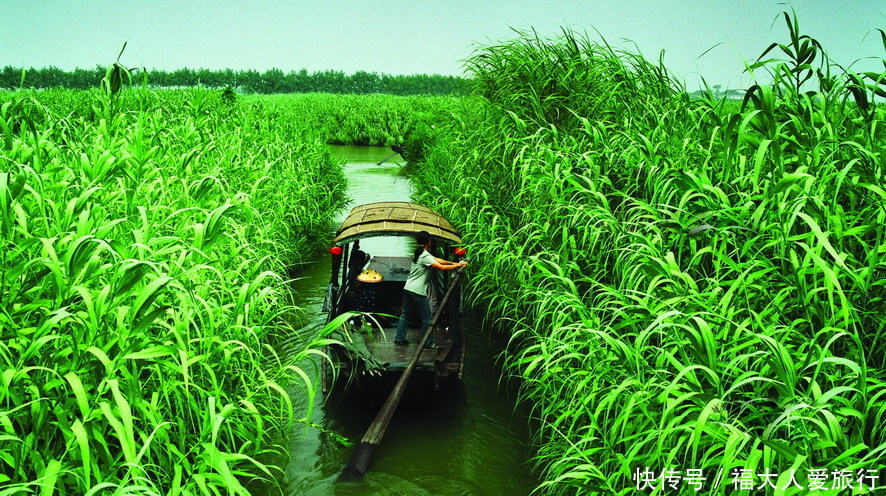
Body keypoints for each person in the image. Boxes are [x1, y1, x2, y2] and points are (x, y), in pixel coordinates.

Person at [395, 231, 467, 348]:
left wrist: (454, 263)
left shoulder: (420, 253)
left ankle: (399, 338)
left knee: (405, 315)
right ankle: (427, 343)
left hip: (408, 288)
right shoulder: (424, 256)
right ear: (429, 241)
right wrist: (458, 265)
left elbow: (438, 260)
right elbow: (441, 267)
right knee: (427, 318)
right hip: (417, 291)